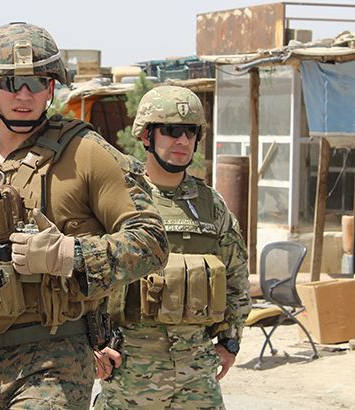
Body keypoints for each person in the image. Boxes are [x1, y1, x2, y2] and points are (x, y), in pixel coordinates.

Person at [0, 22, 169, 409]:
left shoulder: (87, 153)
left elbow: (151, 241)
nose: (24, 95)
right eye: (11, 83)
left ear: (51, 88)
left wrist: (69, 255)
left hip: (53, 361)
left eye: (37, 82)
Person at [96, 86, 251, 409]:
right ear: (146, 136)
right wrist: (93, 345)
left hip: (197, 370)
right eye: (170, 130)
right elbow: (87, 277)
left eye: (190, 131)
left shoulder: (211, 205)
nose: (182, 140)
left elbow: (236, 278)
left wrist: (230, 342)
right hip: (131, 368)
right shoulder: (117, 198)